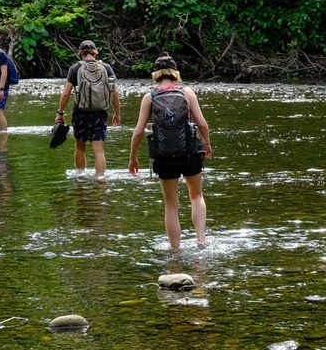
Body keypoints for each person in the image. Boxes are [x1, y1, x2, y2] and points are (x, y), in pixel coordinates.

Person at [128, 53, 212, 253]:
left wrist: (133, 157)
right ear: (176, 73)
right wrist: (206, 144)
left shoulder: (150, 97)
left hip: (164, 155)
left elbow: (139, 131)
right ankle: (201, 239)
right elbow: (201, 123)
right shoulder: (187, 92)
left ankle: (175, 250)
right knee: (197, 195)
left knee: (171, 206)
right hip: (190, 151)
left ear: (156, 74)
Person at [55, 39, 121, 177]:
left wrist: (60, 112)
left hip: (80, 112)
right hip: (101, 112)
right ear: (95, 52)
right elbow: (114, 92)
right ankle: (100, 179)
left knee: (80, 147)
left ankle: (80, 179)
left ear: (80, 53)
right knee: (99, 150)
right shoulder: (107, 68)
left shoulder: (75, 68)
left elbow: (66, 93)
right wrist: (117, 112)